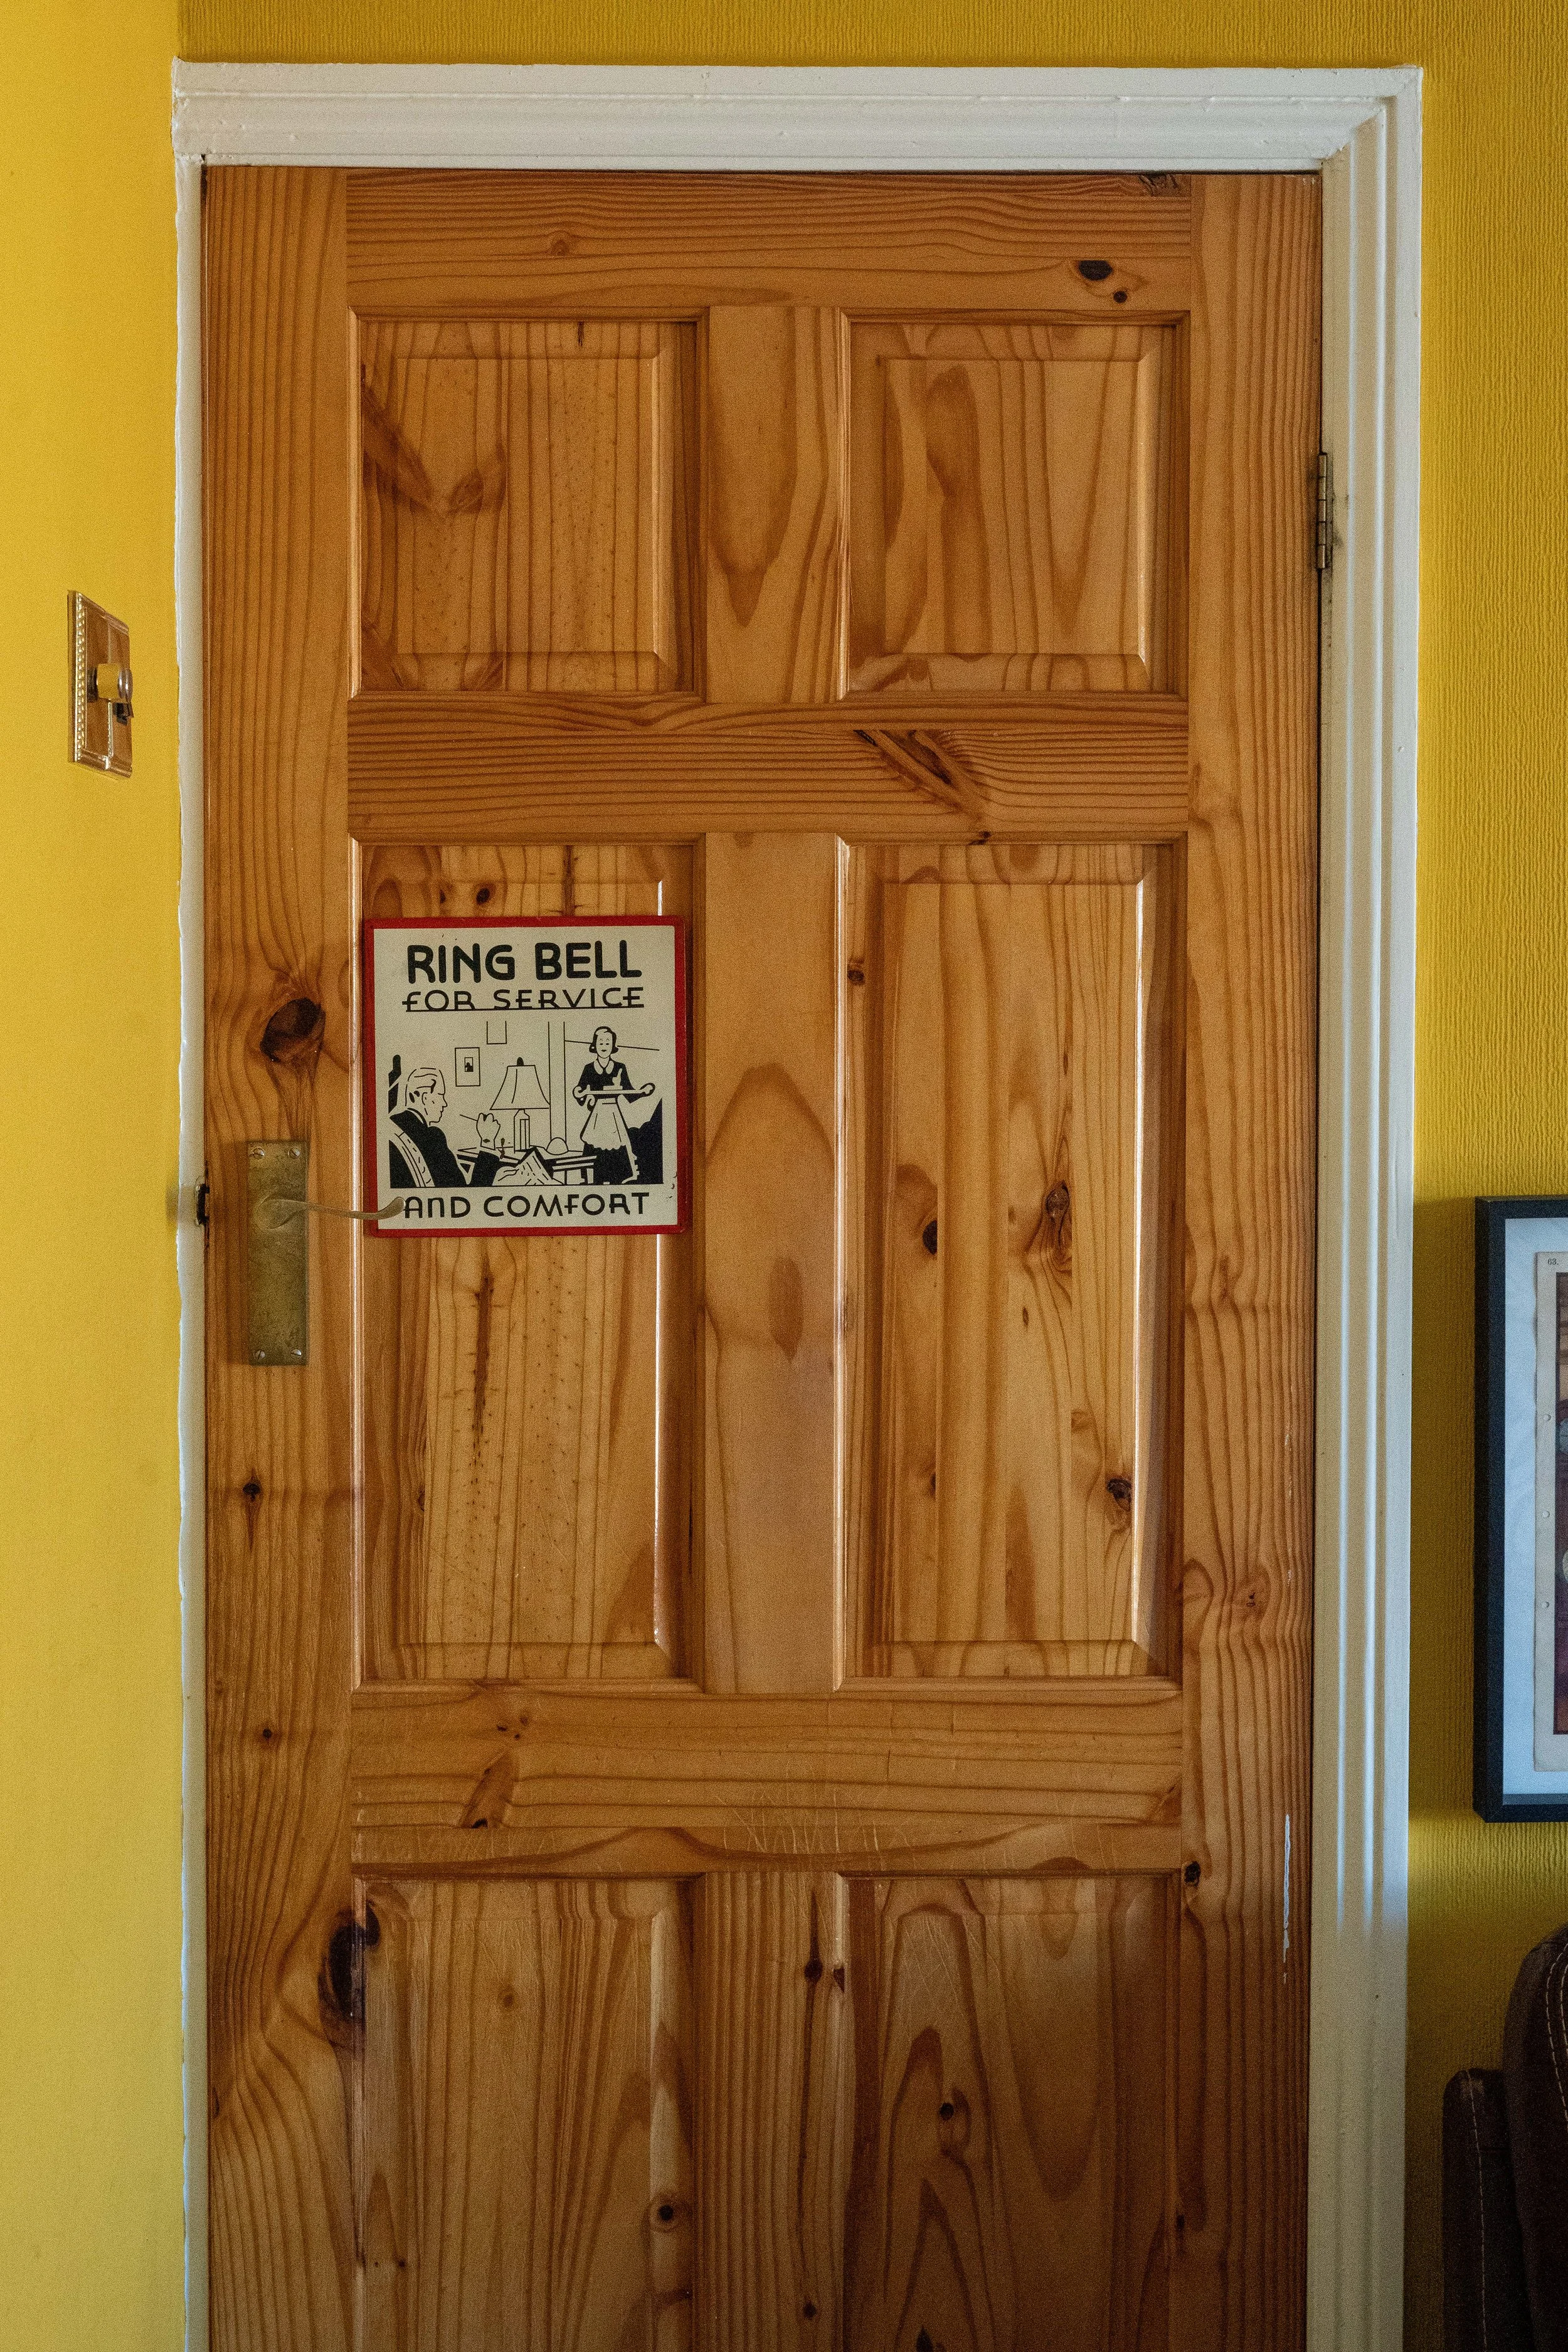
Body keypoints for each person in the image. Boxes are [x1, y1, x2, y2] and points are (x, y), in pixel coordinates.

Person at [389, 1066, 504, 1189]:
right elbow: (469, 1193)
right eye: (440, 1095)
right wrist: (488, 1140)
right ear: (425, 1097)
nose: (444, 1104)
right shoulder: (432, 1137)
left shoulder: (393, 1123)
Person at [573, 1026, 654, 1184]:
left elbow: (629, 1093)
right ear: (594, 1045)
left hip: (614, 1114)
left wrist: (643, 1092)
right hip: (597, 1114)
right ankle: (594, 1180)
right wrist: (578, 1092)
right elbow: (580, 1091)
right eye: (601, 1043)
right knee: (595, 1146)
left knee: (616, 1148)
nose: (604, 1046)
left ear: (613, 1046)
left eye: (608, 1043)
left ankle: (616, 1181)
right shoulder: (589, 1069)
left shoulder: (619, 1068)